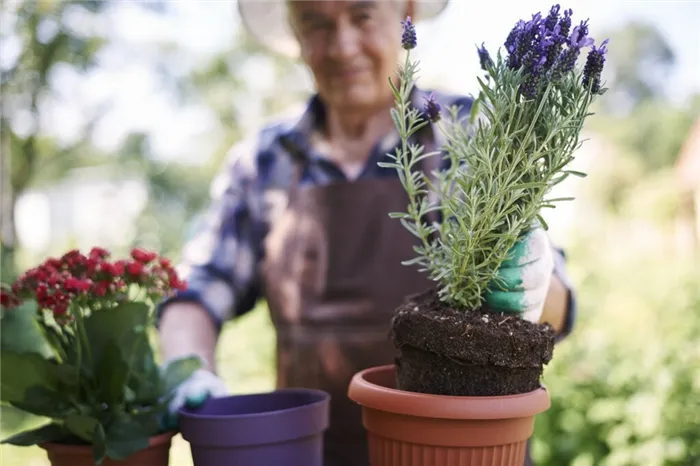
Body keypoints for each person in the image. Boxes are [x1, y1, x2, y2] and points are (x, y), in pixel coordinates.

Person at [157, 1, 577, 465]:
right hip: (315, 450)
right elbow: (199, 284)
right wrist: (187, 365)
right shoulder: (265, 160)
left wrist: (529, 285)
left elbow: (559, 306)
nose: (342, 46)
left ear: (407, 16)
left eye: (362, 16)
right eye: (316, 24)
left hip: (456, 448)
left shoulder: (473, 133)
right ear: (295, 34)